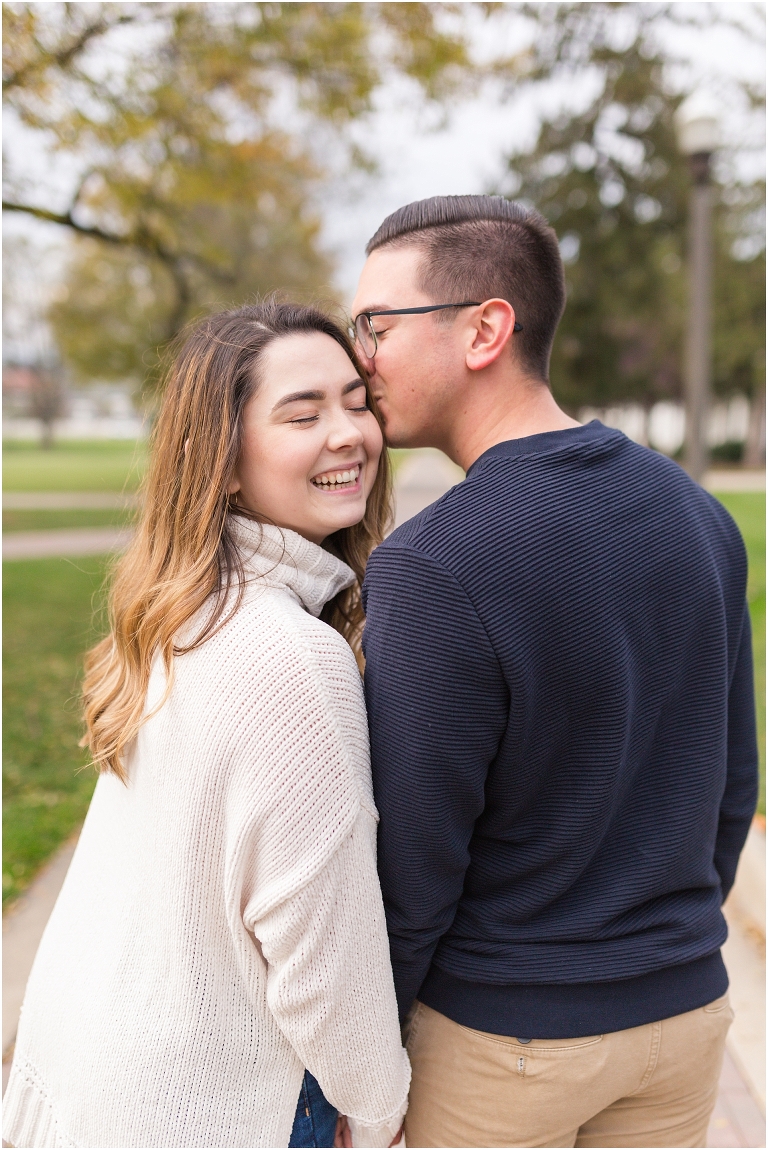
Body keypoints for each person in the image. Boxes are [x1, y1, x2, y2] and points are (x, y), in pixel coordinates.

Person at [351, 195, 757, 1148]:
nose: (359, 354)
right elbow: (733, 785)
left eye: (376, 323)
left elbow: (416, 860)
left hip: (507, 1044)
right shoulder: (698, 516)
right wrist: (665, 948)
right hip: (686, 1018)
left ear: (486, 327)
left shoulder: (435, 562)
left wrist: (365, 1068)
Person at [3, 302, 409, 1150]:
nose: (349, 433)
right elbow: (323, 959)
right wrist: (379, 1113)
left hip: (96, 1081)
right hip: (221, 1109)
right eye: (303, 414)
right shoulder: (291, 657)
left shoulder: (176, 609)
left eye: (356, 401)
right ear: (222, 460)